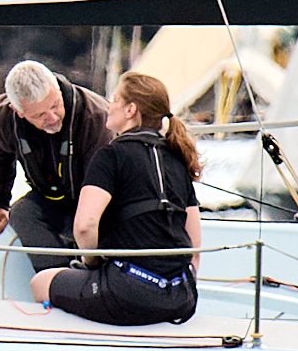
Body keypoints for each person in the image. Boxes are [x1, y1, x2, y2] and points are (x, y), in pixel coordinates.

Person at [30, 72, 202, 327]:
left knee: (40, 283)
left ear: (131, 109)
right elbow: (194, 247)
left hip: (127, 295)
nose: (108, 106)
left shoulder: (110, 156)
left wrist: (91, 264)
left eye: (114, 99)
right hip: (180, 298)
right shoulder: (178, 159)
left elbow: (84, 226)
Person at [0, 59, 115, 273]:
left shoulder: (96, 117)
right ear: (18, 111)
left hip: (100, 203)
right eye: (39, 115)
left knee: (95, 224)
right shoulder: (4, 115)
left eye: (55, 105)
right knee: (21, 214)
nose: (52, 118)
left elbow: (104, 183)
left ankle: (92, 273)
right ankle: (57, 276)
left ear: (58, 90)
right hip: (50, 197)